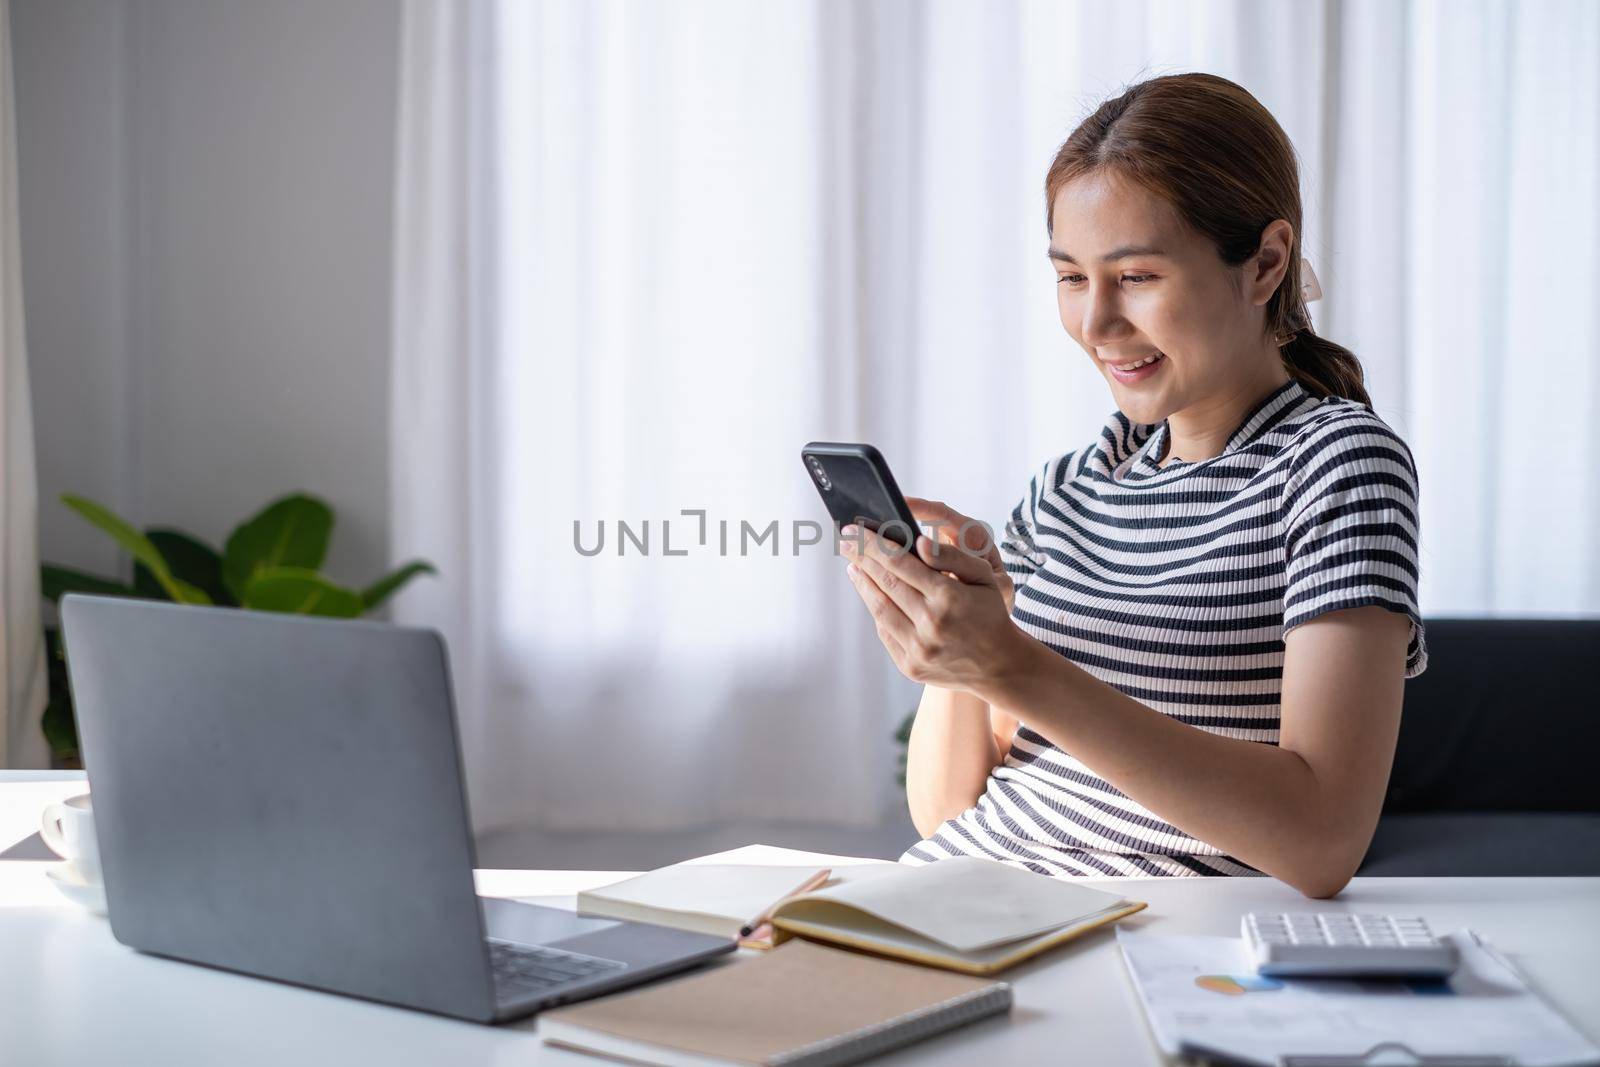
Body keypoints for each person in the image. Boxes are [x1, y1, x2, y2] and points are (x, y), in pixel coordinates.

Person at [839, 73, 1426, 898]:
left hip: (1138, 944)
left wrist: (1013, 667)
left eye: (1137, 276)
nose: (1095, 323)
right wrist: (957, 649)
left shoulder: (1337, 465)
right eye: (1072, 277)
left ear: (1264, 264)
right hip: (963, 908)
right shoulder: (1070, 486)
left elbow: (1323, 837)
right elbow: (949, 814)